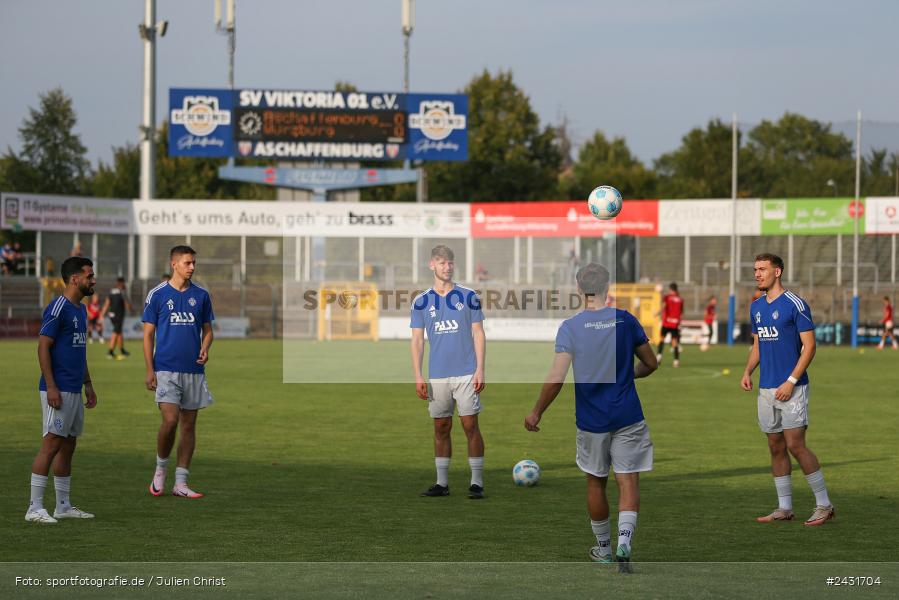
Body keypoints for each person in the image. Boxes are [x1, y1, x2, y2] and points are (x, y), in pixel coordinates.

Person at [525, 263, 658, 573]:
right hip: (628, 415)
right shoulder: (625, 321)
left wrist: (536, 411)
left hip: (591, 420)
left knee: (596, 483)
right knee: (628, 482)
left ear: (578, 290)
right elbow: (651, 364)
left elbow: (557, 377)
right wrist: (626, 375)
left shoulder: (571, 327)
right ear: (607, 288)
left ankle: (604, 549)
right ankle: (625, 541)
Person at [741, 253, 834, 526]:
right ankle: (784, 508)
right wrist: (747, 371)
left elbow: (810, 347)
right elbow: (758, 344)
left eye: (762, 269)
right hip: (766, 388)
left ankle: (824, 505)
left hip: (792, 388)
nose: (757, 274)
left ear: (777, 271)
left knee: (795, 445)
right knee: (775, 446)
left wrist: (791, 381)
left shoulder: (795, 304)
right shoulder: (756, 307)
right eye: (755, 269)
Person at [25, 256, 98, 524]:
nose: (93, 280)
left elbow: (80, 351)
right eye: (89, 275)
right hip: (58, 390)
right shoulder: (59, 308)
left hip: (74, 389)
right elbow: (43, 346)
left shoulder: (80, 310)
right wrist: (52, 386)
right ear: (75, 279)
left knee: (68, 445)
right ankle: (34, 508)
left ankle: (63, 505)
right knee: (51, 444)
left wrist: (88, 384)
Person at [411, 245, 487, 499]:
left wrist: (480, 369)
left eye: (450, 262)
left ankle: (476, 482)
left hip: (466, 372)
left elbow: (478, 333)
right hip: (437, 374)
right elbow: (418, 341)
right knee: (441, 427)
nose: (447, 267)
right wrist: (418, 375)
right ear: (432, 265)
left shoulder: (469, 296)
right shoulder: (421, 301)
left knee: (470, 425)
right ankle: (441, 483)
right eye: (442, 262)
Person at [143, 246, 215, 499]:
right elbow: (148, 334)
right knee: (170, 420)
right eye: (187, 263)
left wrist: (205, 348)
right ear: (174, 264)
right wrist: (150, 369)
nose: (192, 267)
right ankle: (161, 469)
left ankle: (181, 483)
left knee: (189, 425)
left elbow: (208, 330)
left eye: (194, 262)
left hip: (194, 370)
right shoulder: (158, 294)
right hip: (165, 370)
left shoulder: (201, 296)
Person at [101, 277, 133, 360]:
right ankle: (110, 352)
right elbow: (127, 305)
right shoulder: (122, 292)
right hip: (118, 316)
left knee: (119, 332)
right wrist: (130, 308)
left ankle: (122, 350)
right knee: (116, 332)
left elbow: (107, 303)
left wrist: (102, 314)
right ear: (121, 283)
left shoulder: (112, 291)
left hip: (112, 315)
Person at [656, 282, 683, 367]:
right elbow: (681, 312)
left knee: (661, 340)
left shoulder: (667, 297)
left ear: (670, 289)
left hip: (667, 323)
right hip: (675, 324)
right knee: (675, 343)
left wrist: (657, 313)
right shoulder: (680, 299)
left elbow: (663, 306)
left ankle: (659, 357)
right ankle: (676, 361)